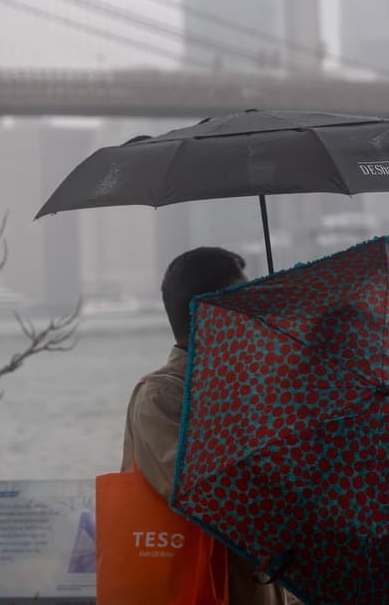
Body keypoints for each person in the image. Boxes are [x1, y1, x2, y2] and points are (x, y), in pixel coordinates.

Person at [121, 245, 292, 605]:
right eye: (243, 302)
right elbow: (207, 493)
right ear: (210, 312)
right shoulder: (162, 396)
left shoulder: (245, 390)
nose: (253, 314)